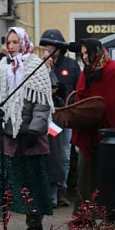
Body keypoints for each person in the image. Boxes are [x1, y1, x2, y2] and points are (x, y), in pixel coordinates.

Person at [0, 27, 54, 230]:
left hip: (31, 137)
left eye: (14, 42)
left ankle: (34, 225)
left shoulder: (36, 67)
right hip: (7, 135)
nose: (10, 46)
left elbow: (42, 103)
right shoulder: (1, 67)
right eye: (8, 42)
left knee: (31, 181)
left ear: (23, 42)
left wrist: (34, 130)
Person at [71, 38, 115, 221]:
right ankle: (85, 215)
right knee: (85, 176)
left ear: (97, 51)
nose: (85, 57)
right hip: (87, 132)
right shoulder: (87, 72)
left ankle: (111, 213)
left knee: (108, 176)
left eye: (87, 53)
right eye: (82, 54)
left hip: (109, 134)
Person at [40, 29, 80, 207]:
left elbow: (78, 90)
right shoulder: (39, 64)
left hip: (66, 115)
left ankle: (62, 189)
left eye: (51, 45)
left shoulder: (71, 65)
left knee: (64, 154)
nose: (48, 48)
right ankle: (51, 192)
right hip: (47, 117)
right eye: (46, 45)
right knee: (51, 155)